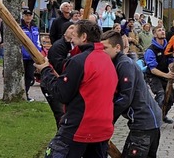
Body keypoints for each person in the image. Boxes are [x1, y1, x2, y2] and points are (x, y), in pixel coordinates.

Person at [36, 20, 118, 158]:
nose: (71, 37)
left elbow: (61, 94)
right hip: (102, 127)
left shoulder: (80, 61)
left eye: (74, 34)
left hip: (80, 127)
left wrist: (45, 71)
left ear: (84, 37)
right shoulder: (106, 59)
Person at [101, 30, 163, 157]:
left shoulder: (124, 64)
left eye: (105, 48)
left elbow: (124, 98)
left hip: (144, 122)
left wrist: (107, 121)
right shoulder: (117, 63)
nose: (102, 51)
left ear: (117, 47)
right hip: (148, 121)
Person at [41, 22, 75, 128]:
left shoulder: (74, 45)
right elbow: (59, 67)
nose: (73, 30)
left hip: (65, 84)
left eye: (75, 28)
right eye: (71, 28)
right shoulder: (58, 47)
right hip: (53, 82)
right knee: (61, 114)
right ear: (64, 32)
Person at [144, 26, 174, 124]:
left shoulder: (168, 48)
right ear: (154, 34)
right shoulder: (151, 50)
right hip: (153, 76)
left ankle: (162, 115)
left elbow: (170, 62)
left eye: (163, 30)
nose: (162, 32)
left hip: (164, 74)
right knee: (161, 95)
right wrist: (167, 75)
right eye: (159, 30)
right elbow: (153, 70)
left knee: (171, 98)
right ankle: (152, 118)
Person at [21, 9, 41, 101]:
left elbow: (38, 41)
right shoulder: (20, 27)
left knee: (29, 76)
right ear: (23, 16)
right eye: (26, 15)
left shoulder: (35, 28)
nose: (28, 17)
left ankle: (26, 93)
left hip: (32, 56)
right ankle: (22, 93)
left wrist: (39, 52)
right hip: (22, 56)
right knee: (22, 76)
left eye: (30, 15)